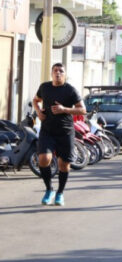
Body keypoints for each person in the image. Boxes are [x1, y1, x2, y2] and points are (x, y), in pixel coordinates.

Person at [33, 63, 86, 206]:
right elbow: (35, 100)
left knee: (64, 165)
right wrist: (38, 112)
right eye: (55, 70)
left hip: (65, 132)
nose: (58, 73)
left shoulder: (70, 90)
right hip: (47, 131)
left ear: (65, 74)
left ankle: (60, 193)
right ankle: (49, 189)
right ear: (51, 73)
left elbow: (82, 110)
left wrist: (64, 109)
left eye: (61, 71)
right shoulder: (44, 87)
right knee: (44, 159)